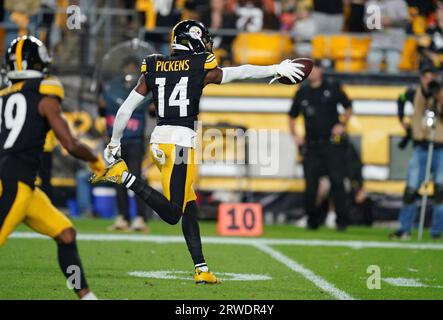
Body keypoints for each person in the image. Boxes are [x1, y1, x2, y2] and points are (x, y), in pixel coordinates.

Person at [90, 19, 305, 284]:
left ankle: (201, 268)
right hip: (180, 144)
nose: (206, 44)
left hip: (159, 141)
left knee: (188, 205)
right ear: (193, 39)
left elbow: (125, 109)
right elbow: (240, 72)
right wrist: (276, 68)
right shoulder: (199, 65)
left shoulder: (154, 65)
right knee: (172, 213)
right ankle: (125, 176)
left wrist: (114, 143)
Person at [0, 36, 105, 299]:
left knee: (65, 233)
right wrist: (94, 159)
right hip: (15, 184)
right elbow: (69, 143)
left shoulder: (3, 97)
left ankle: (87, 297)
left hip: (24, 186)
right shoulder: (45, 97)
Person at [288, 60, 352, 231]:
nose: (312, 72)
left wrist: (342, 124)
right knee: (311, 185)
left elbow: (348, 107)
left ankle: (342, 221)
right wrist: (295, 135)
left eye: (315, 68)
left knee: (337, 182)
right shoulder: (302, 92)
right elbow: (292, 115)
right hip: (311, 145)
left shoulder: (333, 87)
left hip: (332, 144)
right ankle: (312, 220)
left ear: (321, 70)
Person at [390, 78, 443, 240]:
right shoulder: (413, 93)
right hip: (421, 146)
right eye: (426, 77)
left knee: (440, 190)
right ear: (422, 78)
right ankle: (405, 229)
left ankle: (437, 232)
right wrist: (402, 118)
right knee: (410, 189)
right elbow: (400, 98)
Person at [99, 57, 152, 232]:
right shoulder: (113, 87)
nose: (129, 70)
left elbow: (151, 110)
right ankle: (123, 217)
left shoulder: (142, 86)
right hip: (116, 142)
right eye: (127, 67)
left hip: (135, 141)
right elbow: (102, 107)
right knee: (119, 180)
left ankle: (140, 218)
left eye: (132, 67)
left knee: (135, 179)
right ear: (122, 69)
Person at [365, 0, 409, 73]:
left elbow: (405, 22)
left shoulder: (400, 2)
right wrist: (379, 22)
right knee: (372, 67)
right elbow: (367, 25)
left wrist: (391, 22)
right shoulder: (371, 3)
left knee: (393, 69)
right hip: (377, 43)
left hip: (395, 43)